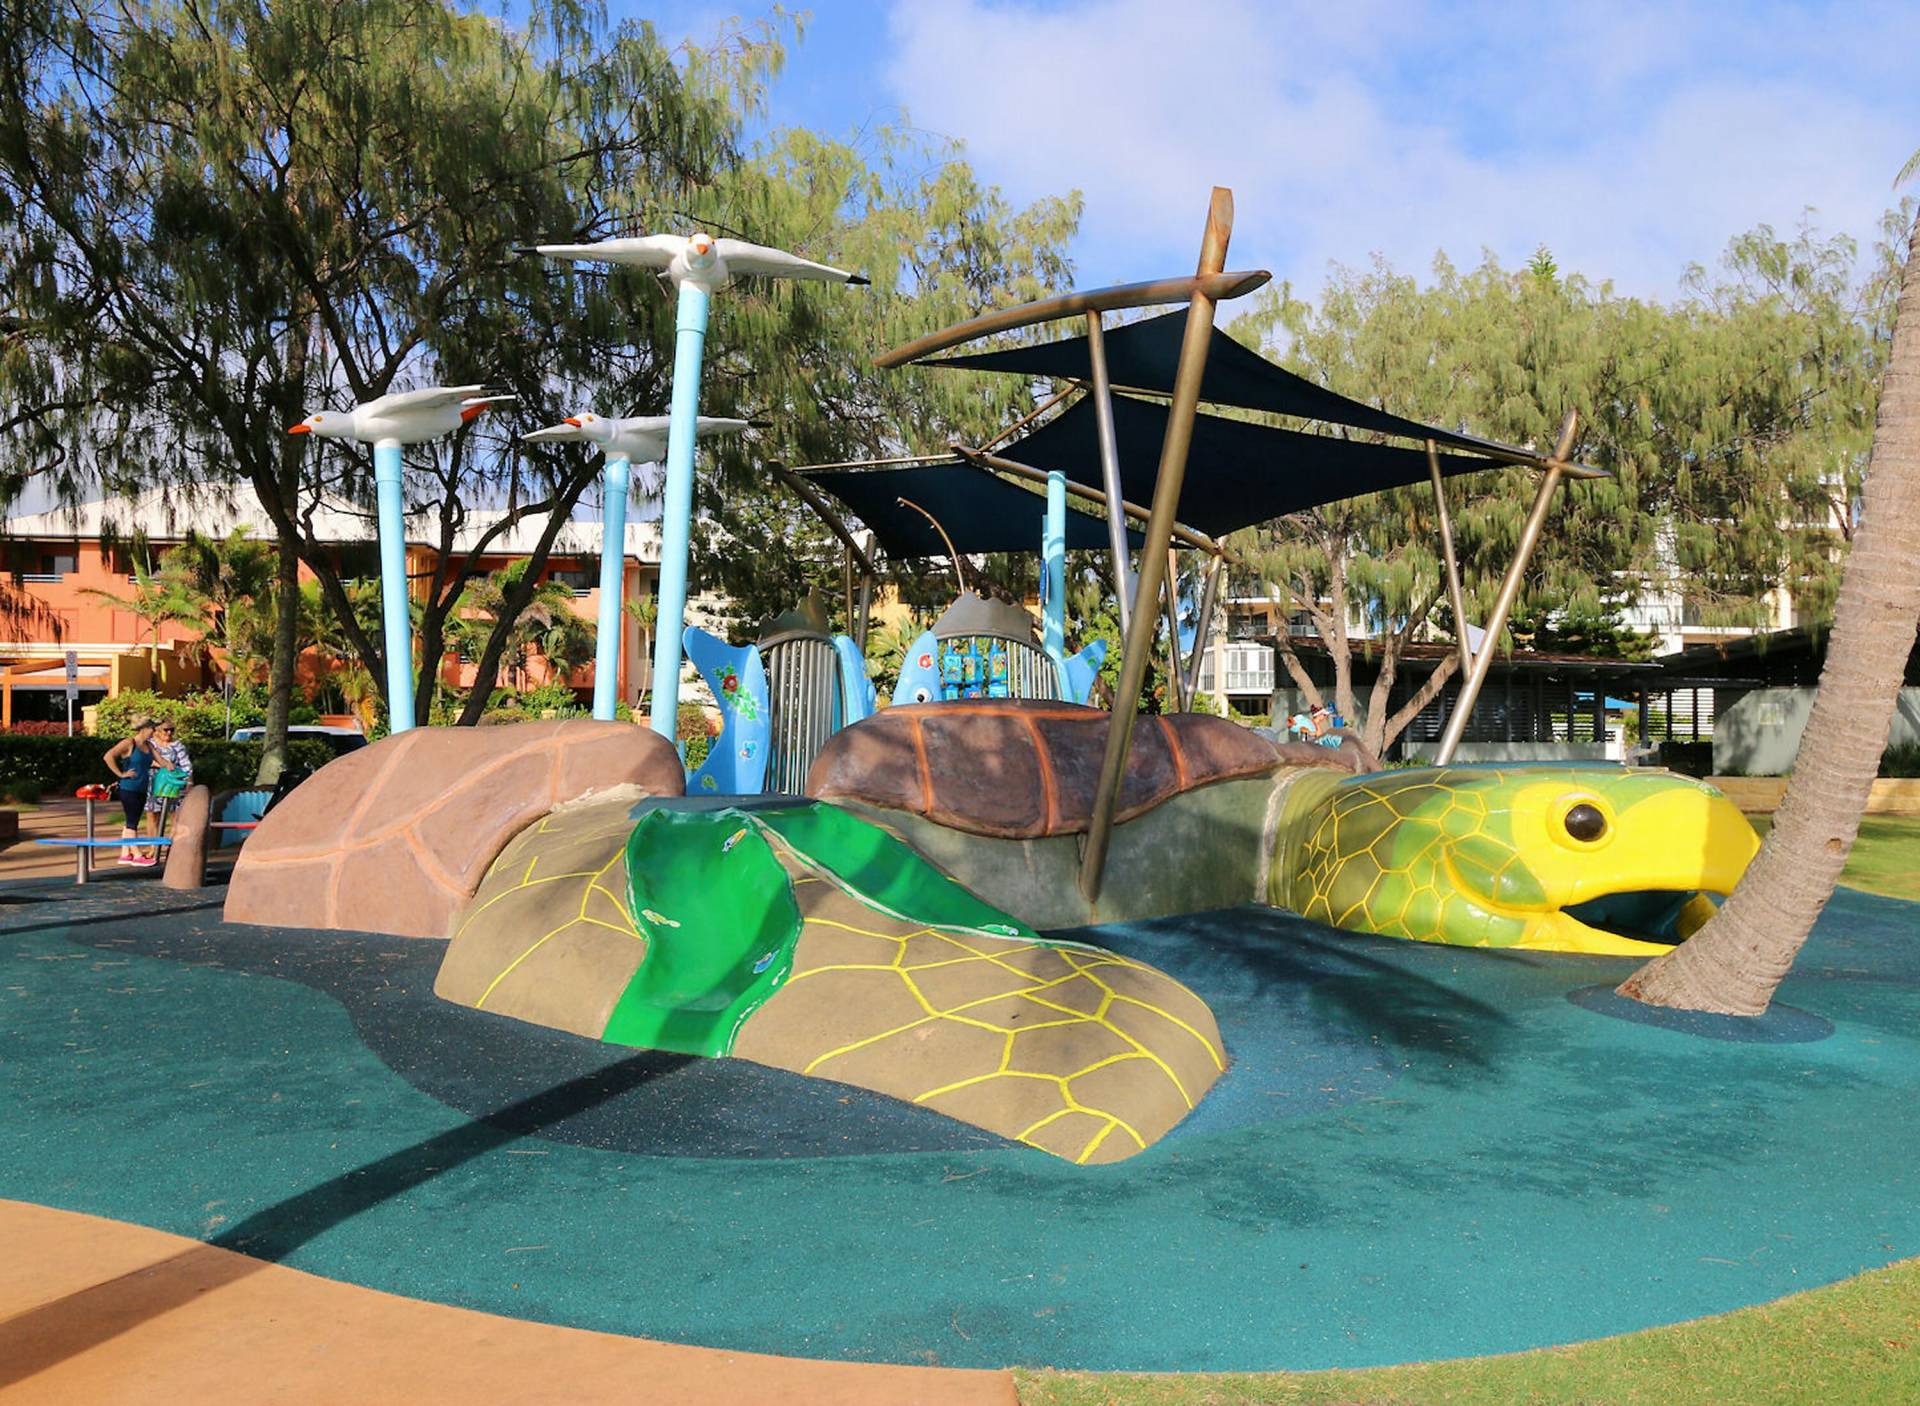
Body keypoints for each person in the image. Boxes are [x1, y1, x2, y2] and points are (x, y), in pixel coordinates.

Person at [102, 716, 159, 866]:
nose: (154, 732)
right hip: (129, 788)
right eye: (153, 729)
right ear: (145, 729)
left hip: (142, 788)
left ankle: (125, 853)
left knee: (130, 821)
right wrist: (121, 774)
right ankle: (137, 854)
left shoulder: (149, 746)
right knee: (132, 823)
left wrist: (173, 768)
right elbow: (108, 756)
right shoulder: (129, 743)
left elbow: (161, 761)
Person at [146, 720, 194, 835]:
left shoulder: (177, 745)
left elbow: (186, 765)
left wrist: (189, 783)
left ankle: (174, 842)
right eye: (166, 730)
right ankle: (153, 843)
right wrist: (161, 765)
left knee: (176, 815)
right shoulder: (149, 744)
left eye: (172, 730)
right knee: (153, 815)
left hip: (174, 783)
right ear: (157, 730)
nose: (169, 733)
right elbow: (142, 760)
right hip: (153, 783)